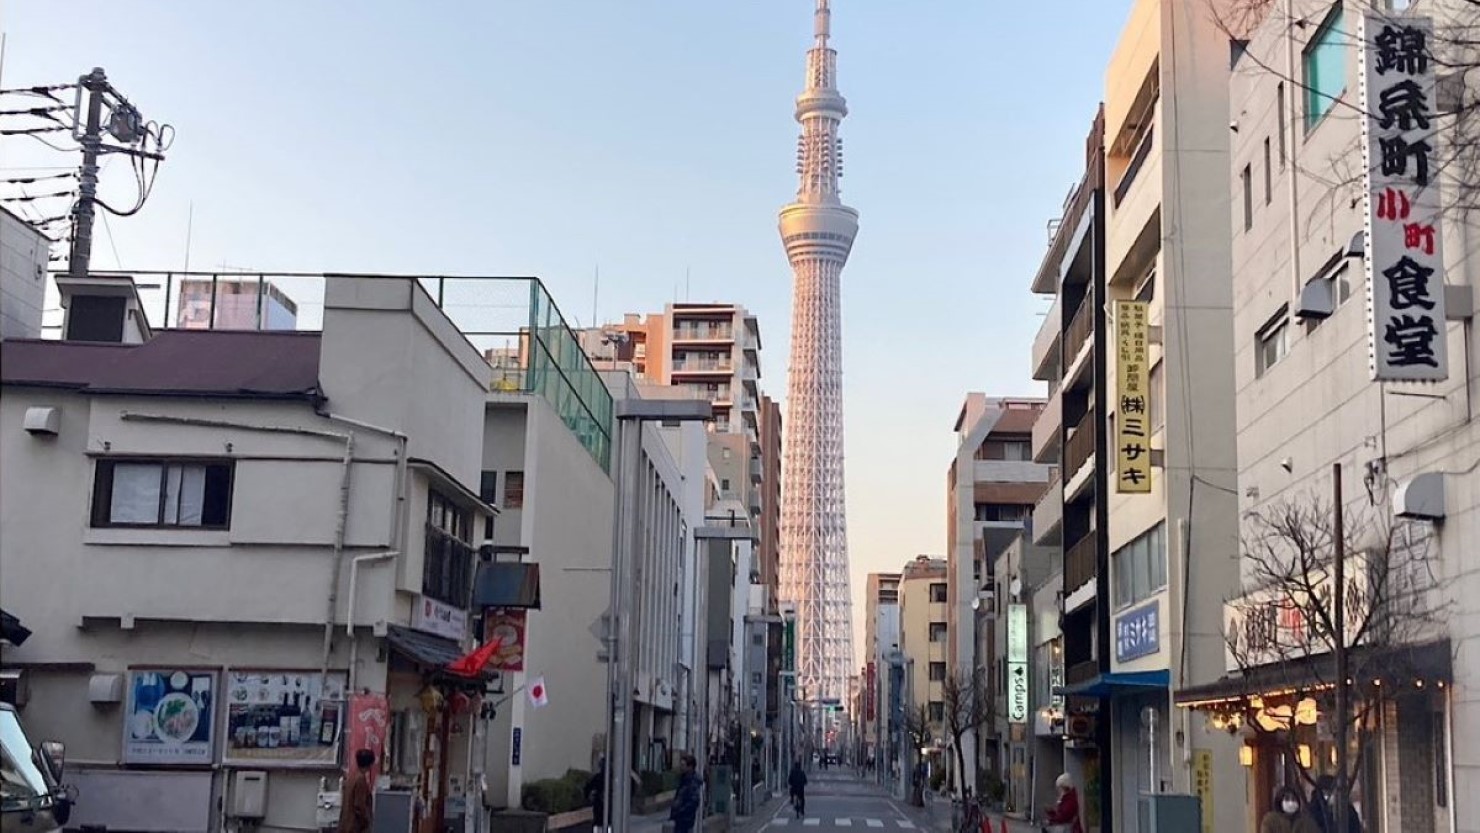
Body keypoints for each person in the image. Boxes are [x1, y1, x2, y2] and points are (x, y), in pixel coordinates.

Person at [337, 748, 376, 833]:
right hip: (354, 826)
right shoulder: (360, 779)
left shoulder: (351, 777)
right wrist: (366, 820)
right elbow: (359, 804)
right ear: (369, 764)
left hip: (345, 823)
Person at [670, 753, 703, 833]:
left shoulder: (692, 783)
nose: (681, 767)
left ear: (690, 767)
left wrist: (679, 812)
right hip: (680, 822)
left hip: (685, 822)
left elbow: (693, 802)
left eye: (683, 765)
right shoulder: (684, 780)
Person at [585, 758, 607, 833]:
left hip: (599, 807)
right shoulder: (613, 778)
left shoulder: (598, 777)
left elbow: (587, 788)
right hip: (603, 807)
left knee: (598, 824)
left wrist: (589, 797)